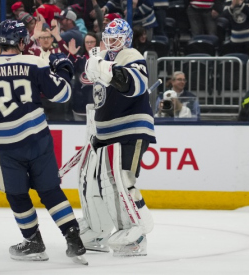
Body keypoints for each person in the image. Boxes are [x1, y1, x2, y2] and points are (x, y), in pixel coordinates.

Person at [0, 19, 87, 264]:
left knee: (17, 193)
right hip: (39, 140)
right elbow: (63, 94)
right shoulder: (35, 63)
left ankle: (33, 242)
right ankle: (74, 238)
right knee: (51, 190)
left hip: (6, 145)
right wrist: (64, 67)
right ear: (21, 42)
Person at [79, 18, 155, 257]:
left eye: (116, 39)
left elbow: (133, 84)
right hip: (104, 133)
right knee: (93, 182)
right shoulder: (103, 60)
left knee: (122, 180)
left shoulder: (131, 55)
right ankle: (97, 229)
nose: (111, 43)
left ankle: (137, 232)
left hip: (130, 130)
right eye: (108, 39)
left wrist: (105, 69)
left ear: (127, 39)